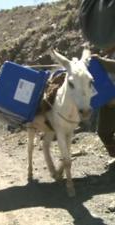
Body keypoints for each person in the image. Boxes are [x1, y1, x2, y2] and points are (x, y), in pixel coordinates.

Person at [79, 0, 115, 159]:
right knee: (103, 132)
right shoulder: (107, 54)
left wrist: (101, 61)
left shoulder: (106, 58)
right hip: (110, 100)